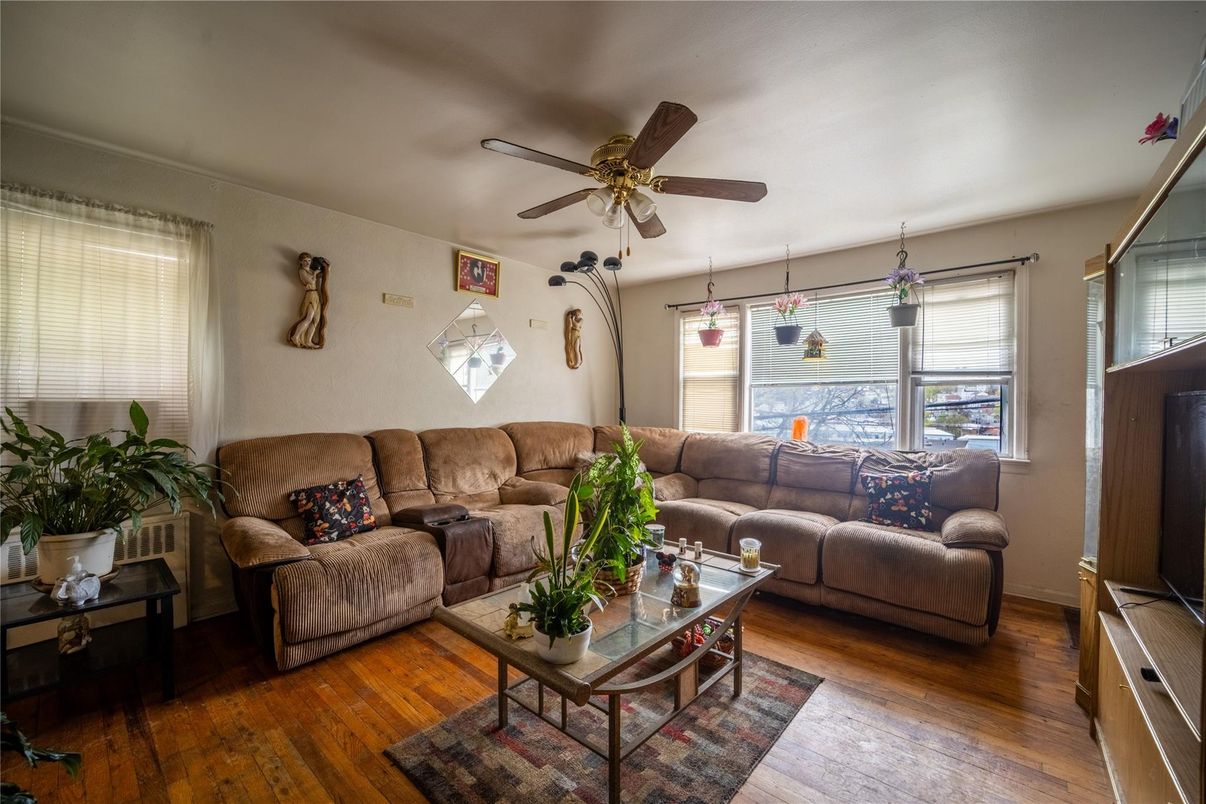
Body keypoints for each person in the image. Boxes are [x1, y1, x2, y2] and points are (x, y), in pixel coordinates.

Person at [289, 253, 329, 348]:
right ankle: (295, 336)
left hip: (315, 294)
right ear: (301, 262)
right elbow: (311, 281)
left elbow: (322, 274)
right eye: (305, 261)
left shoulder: (310, 270)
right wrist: (315, 273)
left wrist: (327, 266)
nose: (307, 263)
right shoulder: (302, 271)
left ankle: (308, 341)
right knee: (309, 318)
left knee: (315, 320)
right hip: (310, 295)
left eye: (309, 261)